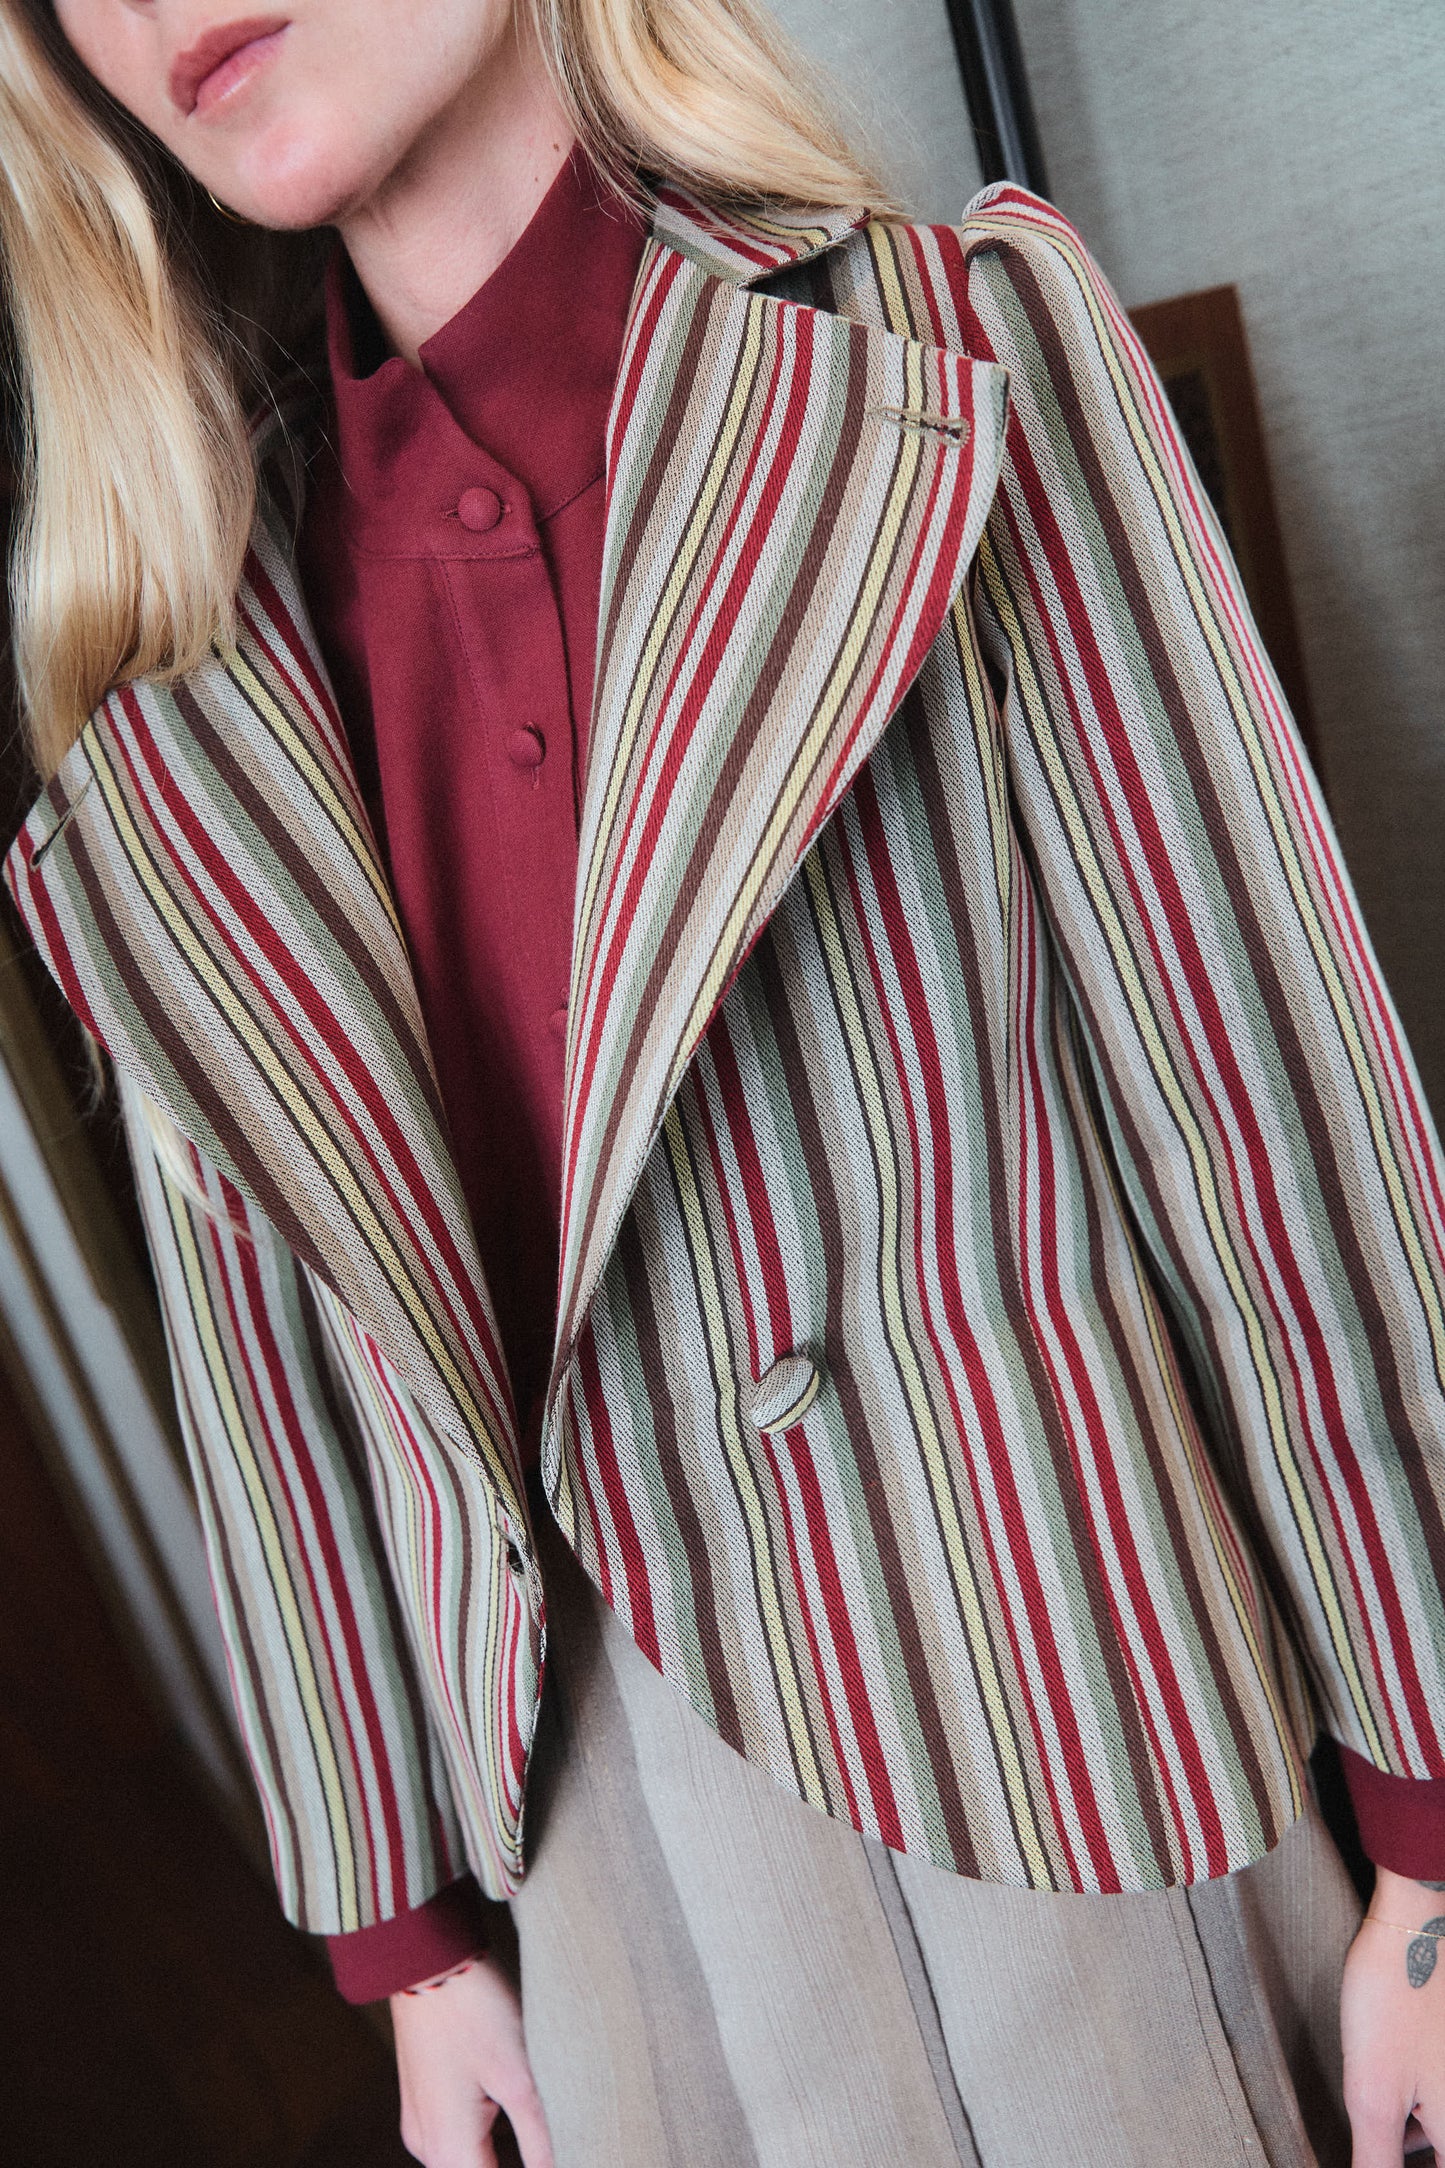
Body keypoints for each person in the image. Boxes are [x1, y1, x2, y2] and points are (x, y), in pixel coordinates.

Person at [2, 0, 1445, 2161]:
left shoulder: (956, 366)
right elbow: (265, 1382)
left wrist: (1430, 1829)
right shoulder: (174, 720)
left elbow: (1275, 1139)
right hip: (615, 1900)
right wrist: (402, 1942)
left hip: (1080, 1742)